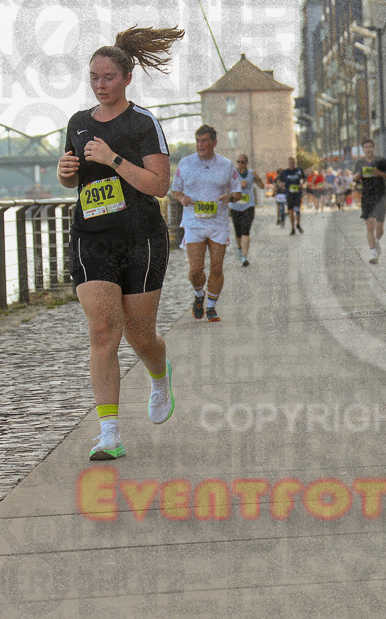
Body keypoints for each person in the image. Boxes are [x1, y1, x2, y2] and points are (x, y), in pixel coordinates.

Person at [56, 24, 184, 460]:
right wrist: (65, 172)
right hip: (92, 236)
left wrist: (113, 159)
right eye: (94, 77)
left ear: (127, 78)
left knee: (140, 335)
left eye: (108, 77)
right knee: (102, 329)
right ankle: (109, 433)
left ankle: (159, 374)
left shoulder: (142, 123)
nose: (100, 85)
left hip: (140, 238)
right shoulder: (78, 123)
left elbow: (159, 185)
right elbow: (72, 181)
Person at [171, 124, 241, 323]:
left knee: (217, 268)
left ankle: (211, 306)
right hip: (193, 222)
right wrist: (182, 198)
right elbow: (175, 191)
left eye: (204, 141)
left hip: (218, 222)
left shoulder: (226, 165)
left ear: (214, 142)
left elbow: (237, 192)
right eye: (197, 141)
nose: (200, 145)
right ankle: (199, 294)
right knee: (196, 270)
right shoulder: (185, 163)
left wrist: (230, 197)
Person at [355, 138, 386, 263]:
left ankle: (377, 241)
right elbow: (354, 178)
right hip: (367, 197)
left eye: (370, 147)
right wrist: (356, 177)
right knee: (369, 225)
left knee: (379, 227)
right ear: (363, 150)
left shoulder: (381, 161)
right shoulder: (360, 163)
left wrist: (380, 173)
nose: (368, 149)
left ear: (373, 148)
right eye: (365, 147)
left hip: (380, 196)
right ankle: (374, 254)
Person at [228, 154, 263, 267]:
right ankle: (239, 249)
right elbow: (227, 188)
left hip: (248, 206)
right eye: (238, 162)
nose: (240, 164)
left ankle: (244, 256)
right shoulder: (233, 173)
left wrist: (258, 178)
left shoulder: (251, 173)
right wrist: (239, 185)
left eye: (242, 162)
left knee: (245, 230)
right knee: (238, 233)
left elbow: (262, 186)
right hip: (235, 206)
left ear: (246, 163)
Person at [278, 157, 305, 234]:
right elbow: (279, 181)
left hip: (297, 194)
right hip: (289, 194)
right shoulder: (285, 172)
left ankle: (298, 224)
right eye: (290, 163)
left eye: (293, 162)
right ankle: (293, 228)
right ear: (288, 163)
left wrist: (302, 183)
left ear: (295, 163)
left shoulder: (299, 170)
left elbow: (303, 179)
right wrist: (282, 185)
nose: (292, 164)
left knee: (297, 210)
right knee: (290, 211)